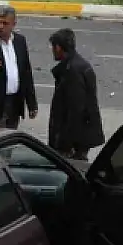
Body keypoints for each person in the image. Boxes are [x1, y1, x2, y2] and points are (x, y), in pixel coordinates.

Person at [47, 28, 104, 160]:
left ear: (59, 48)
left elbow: (75, 110)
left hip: (74, 142)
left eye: (53, 47)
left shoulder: (72, 71)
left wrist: (67, 143)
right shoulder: (78, 65)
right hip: (79, 138)